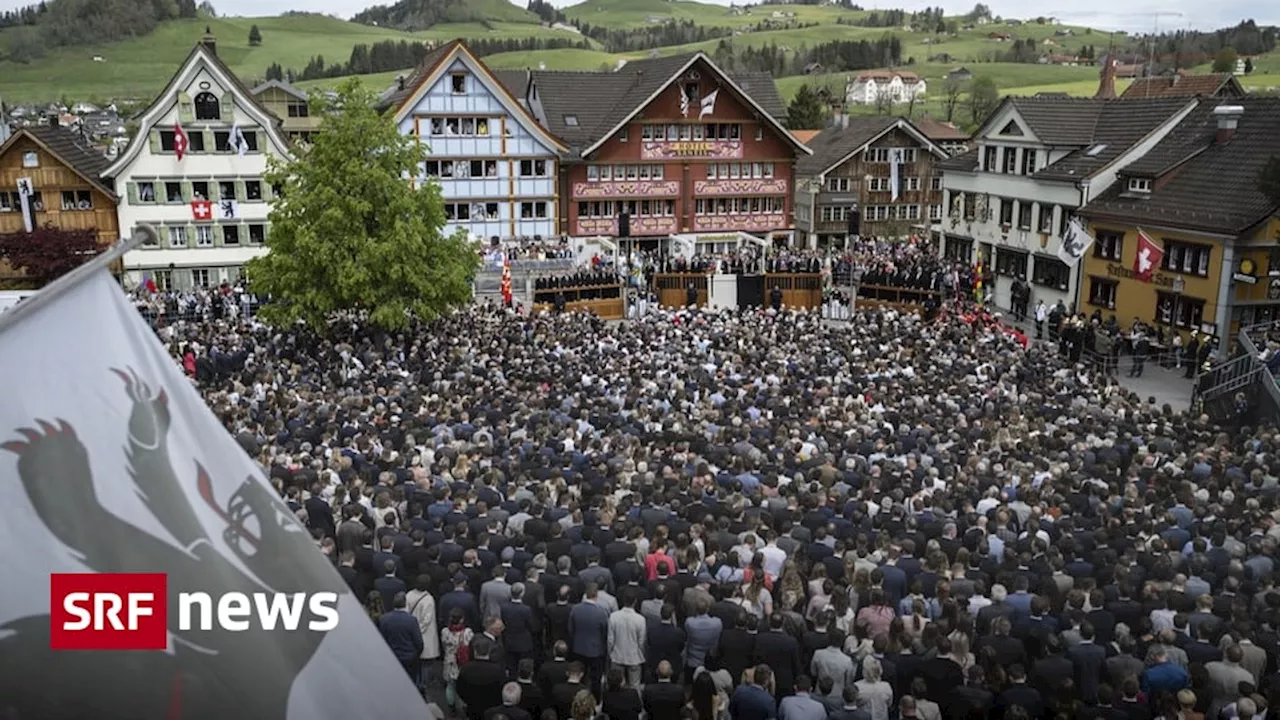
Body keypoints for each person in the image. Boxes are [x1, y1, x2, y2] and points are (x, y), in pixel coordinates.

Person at [380, 591, 425, 682]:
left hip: (391, 658)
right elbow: (419, 642)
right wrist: (416, 654)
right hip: (409, 658)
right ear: (405, 603)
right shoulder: (411, 620)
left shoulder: (384, 619)